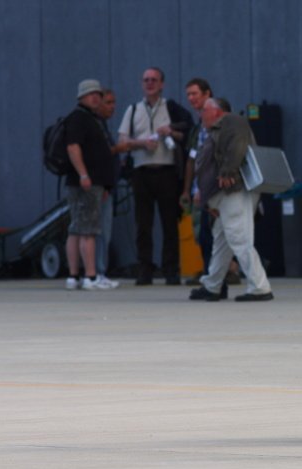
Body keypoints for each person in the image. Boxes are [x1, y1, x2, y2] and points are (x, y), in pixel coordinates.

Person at [188, 98, 273, 302]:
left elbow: (237, 143)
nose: (201, 114)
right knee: (222, 240)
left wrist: (228, 171)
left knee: (239, 238)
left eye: (204, 110)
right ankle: (212, 285)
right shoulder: (216, 128)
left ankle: (260, 287)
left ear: (217, 111)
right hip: (225, 195)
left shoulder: (232, 121)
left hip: (234, 191)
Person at [117, 67, 193, 286]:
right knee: (143, 225)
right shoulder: (133, 110)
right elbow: (122, 143)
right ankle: (145, 269)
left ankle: (171, 270)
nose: (149, 83)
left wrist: (171, 132)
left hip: (167, 171)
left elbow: (187, 133)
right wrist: (142, 143)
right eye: (146, 80)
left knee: (170, 223)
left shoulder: (171, 108)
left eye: (154, 80)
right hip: (141, 172)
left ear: (162, 84)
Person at [63, 79, 116, 290]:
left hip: (91, 182)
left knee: (77, 228)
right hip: (86, 182)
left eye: (98, 94)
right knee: (88, 229)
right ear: (81, 97)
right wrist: (84, 175)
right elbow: (73, 147)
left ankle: (74, 276)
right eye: (90, 94)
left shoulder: (91, 118)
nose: (95, 97)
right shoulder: (79, 118)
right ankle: (91, 276)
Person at [180, 78, 215, 279]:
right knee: (202, 233)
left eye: (195, 93)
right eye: (189, 95)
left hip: (210, 189)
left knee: (211, 234)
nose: (191, 98)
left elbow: (212, 160)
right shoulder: (199, 126)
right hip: (199, 189)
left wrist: (202, 188)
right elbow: (192, 160)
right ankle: (212, 272)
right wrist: (187, 189)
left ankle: (216, 273)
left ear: (207, 94)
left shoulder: (216, 122)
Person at [93, 88, 127, 289]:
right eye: (108, 103)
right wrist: (119, 149)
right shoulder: (96, 126)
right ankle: (97, 271)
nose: (112, 107)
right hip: (102, 187)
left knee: (99, 231)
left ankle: (96, 271)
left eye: (114, 103)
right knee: (100, 231)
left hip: (107, 185)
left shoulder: (102, 125)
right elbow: (102, 154)